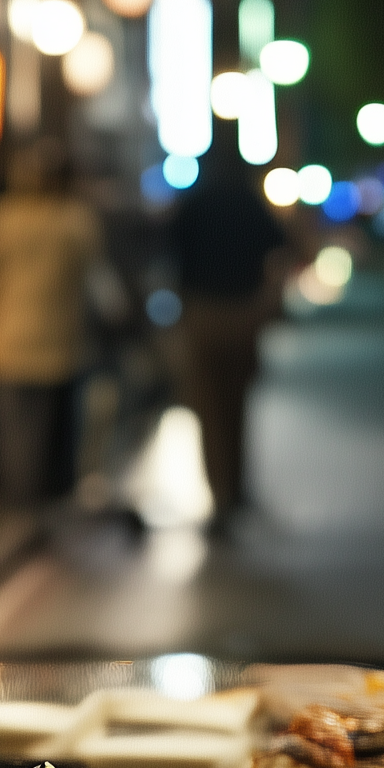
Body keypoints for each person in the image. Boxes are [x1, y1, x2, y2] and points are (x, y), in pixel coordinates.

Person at [0, 144, 117, 508]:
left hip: (0, 337)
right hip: (55, 341)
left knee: (7, 431)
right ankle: (27, 506)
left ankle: (15, 504)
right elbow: (98, 280)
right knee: (37, 432)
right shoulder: (75, 220)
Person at [167, 147, 288, 522]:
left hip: (202, 313)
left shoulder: (194, 203)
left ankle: (220, 492)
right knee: (237, 406)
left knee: (210, 408)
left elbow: (169, 249)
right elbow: (278, 246)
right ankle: (234, 488)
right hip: (242, 313)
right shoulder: (249, 203)